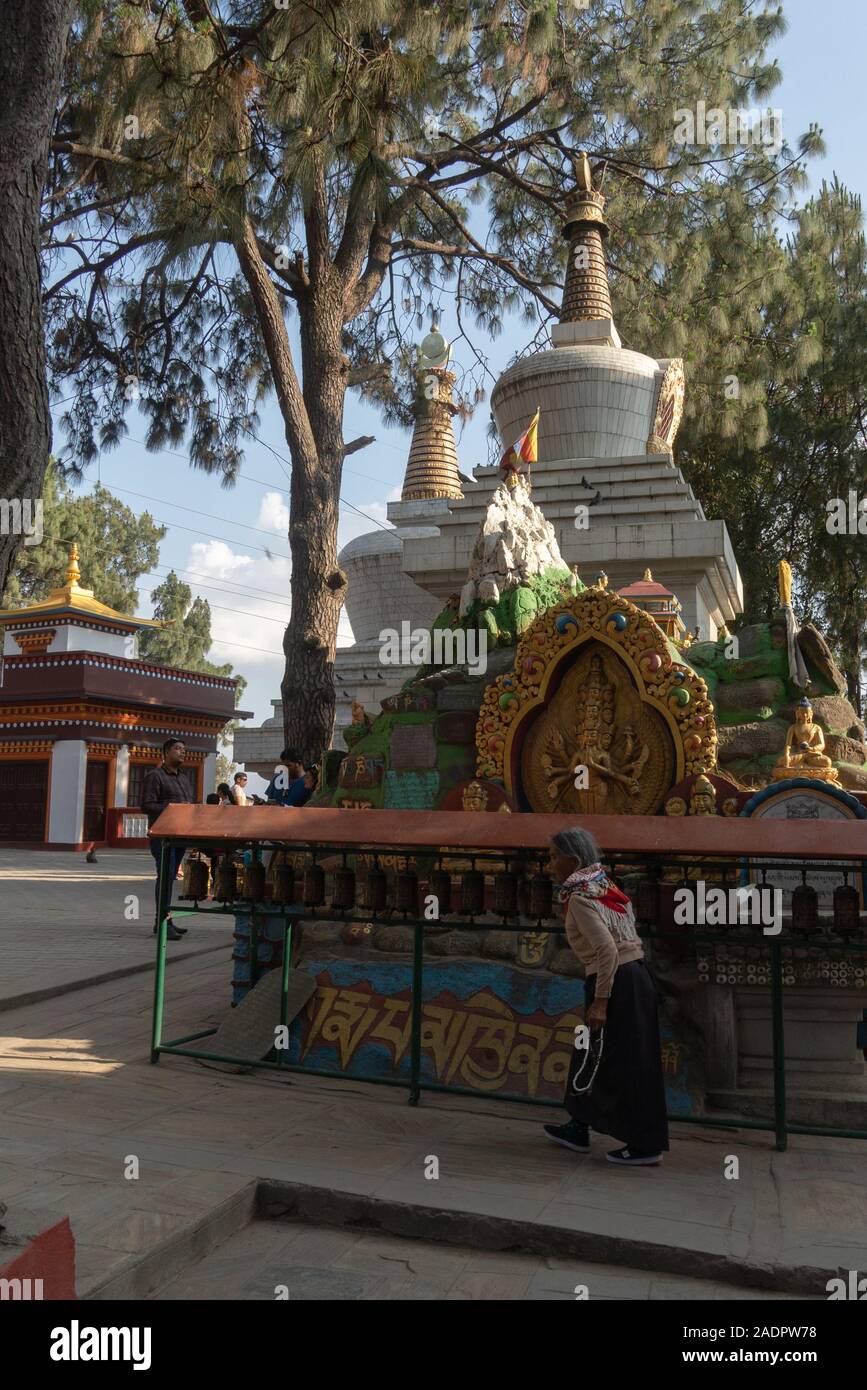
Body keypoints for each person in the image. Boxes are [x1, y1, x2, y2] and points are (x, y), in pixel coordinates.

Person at [542, 826, 669, 1166]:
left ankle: (645, 1144)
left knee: (626, 1061)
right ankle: (578, 1125)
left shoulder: (582, 898)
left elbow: (607, 951)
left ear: (574, 859)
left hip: (615, 983)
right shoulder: (605, 886)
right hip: (635, 977)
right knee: (590, 1052)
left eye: (554, 857)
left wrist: (601, 1002)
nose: (549, 864)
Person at [141, 738, 194, 942]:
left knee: (171, 877)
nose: (182, 752)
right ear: (166, 752)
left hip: (179, 835)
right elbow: (146, 805)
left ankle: (168, 920)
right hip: (163, 837)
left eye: (184, 749)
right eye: (178, 749)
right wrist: (173, 809)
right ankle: (161, 922)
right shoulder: (155, 776)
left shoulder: (184, 778)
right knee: (164, 877)